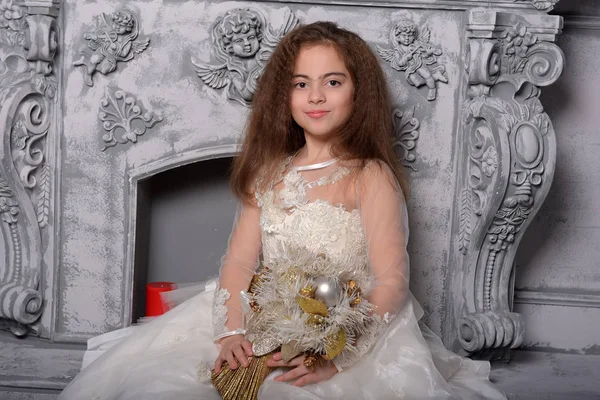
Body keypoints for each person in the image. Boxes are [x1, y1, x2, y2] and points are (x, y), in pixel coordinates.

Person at [58, 21, 507, 400]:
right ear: (285, 96)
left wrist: (337, 354)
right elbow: (238, 261)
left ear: (358, 93)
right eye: (300, 83)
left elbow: (392, 281)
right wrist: (232, 332)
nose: (315, 96)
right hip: (263, 317)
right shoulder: (269, 173)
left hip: (343, 325)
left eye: (333, 82)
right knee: (160, 381)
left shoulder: (370, 176)